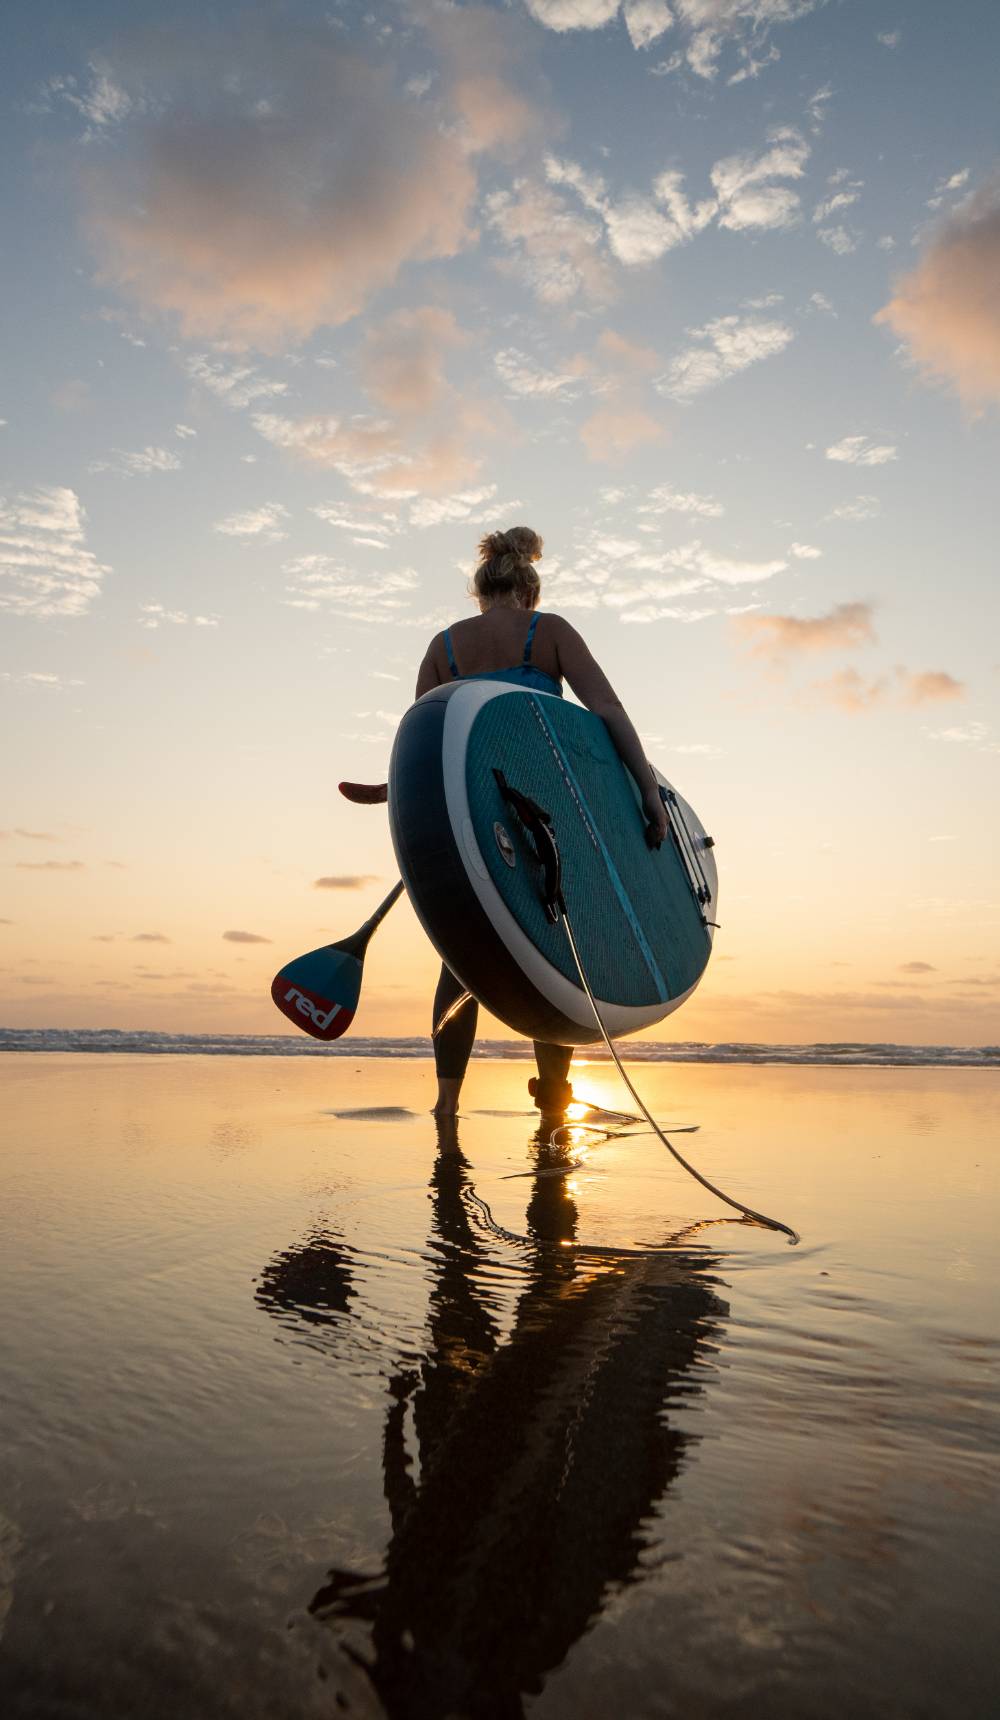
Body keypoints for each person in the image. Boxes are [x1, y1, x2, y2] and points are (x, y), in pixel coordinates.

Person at [341, 525, 668, 1119]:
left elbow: (420, 750)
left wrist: (385, 793)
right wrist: (647, 791)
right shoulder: (550, 632)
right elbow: (608, 711)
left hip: (469, 821)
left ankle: (446, 1102)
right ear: (529, 592)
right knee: (552, 946)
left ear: (482, 588)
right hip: (542, 812)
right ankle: (554, 1099)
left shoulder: (443, 647)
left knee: (461, 954)